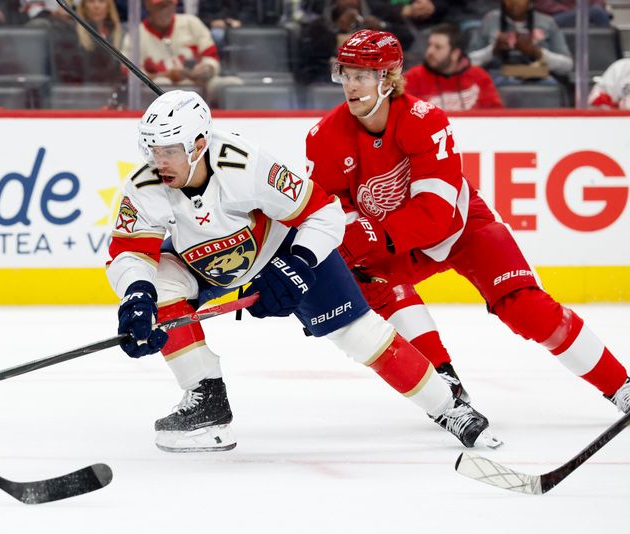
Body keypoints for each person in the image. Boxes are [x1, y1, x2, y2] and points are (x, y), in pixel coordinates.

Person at [106, 89, 501, 453]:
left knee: (360, 335)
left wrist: (299, 263)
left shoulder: (245, 164)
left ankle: (449, 408)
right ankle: (207, 401)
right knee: (156, 286)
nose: (159, 161)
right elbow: (127, 251)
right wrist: (137, 295)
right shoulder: (143, 183)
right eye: (152, 149)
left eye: (169, 150)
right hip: (203, 260)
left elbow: (324, 211)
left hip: (283, 250)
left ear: (199, 144)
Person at [305, 29, 630, 416]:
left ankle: (619, 386)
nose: (350, 86)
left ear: (388, 79)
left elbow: (434, 214)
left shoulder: (425, 120)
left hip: (461, 228)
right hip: (395, 243)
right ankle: (446, 388)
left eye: (361, 75)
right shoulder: (323, 137)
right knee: (373, 284)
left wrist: (365, 236)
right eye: (345, 74)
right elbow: (332, 211)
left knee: (526, 307)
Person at [121, 0, 240, 105]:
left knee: (232, 83)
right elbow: (130, 74)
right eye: (160, 6)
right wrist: (167, 75)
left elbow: (212, 57)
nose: (165, 10)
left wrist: (206, 68)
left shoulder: (191, 23)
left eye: (169, 5)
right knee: (162, 83)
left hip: (200, 84)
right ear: (148, 6)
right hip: (161, 93)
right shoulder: (135, 34)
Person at [468, 0, 572, 85]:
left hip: (538, 76)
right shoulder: (490, 20)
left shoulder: (547, 22)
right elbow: (468, 62)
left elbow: (567, 66)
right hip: (499, 75)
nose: (515, 2)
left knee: (551, 85)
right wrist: (493, 50)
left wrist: (536, 52)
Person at [404, 23, 502, 110]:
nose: (430, 51)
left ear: (455, 54)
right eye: (429, 45)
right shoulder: (413, 77)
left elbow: (495, 116)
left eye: (438, 47)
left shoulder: (479, 76)